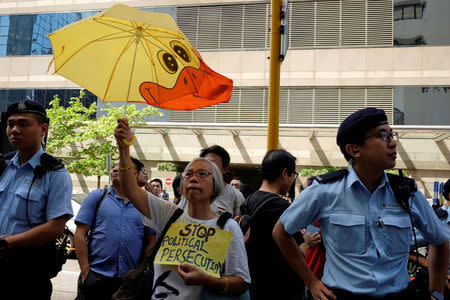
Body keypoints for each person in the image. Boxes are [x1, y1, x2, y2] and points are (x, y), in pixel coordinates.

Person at [273, 107, 449, 300]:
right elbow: (281, 232)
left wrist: (437, 294)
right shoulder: (324, 191)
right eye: (383, 136)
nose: (393, 143)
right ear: (354, 149)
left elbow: (440, 241)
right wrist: (311, 281)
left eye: (392, 134)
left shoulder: (406, 193)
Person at [114, 118, 250, 300]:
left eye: (202, 174)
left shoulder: (227, 227)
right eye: (189, 174)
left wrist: (208, 280)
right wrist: (124, 149)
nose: (194, 178)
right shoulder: (170, 215)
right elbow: (130, 188)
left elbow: (241, 282)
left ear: (216, 185)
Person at [0, 100, 73, 299]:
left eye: (23, 124)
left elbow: (55, 227)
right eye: (10, 124)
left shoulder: (55, 173)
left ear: (43, 129)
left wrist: (6, 244)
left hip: (28, 274)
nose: (14, 130)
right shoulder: (3, 165)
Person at [74, 157, 156, 300]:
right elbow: (80, 234)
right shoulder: (97, 197)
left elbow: (151, 240)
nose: (115, 168)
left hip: (128, 282)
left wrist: (139, 272)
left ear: (135, 174)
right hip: (95, 277)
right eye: (114, 166)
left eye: (121, 165)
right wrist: (85, 270)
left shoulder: (145, 204)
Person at [244, 149, 306, 299]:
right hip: (280, 286)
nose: (292, 180)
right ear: (285, 173)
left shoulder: (248, 201)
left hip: (253, 282)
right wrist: (309, 242)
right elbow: (298, 250)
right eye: (293, 175)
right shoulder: (281, 207)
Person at [179, 145, 245, 217]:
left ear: (225, 169)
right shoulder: (192, 189)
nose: (206, 167)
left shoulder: (236, 196)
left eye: (213, 164)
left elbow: (238, 222)